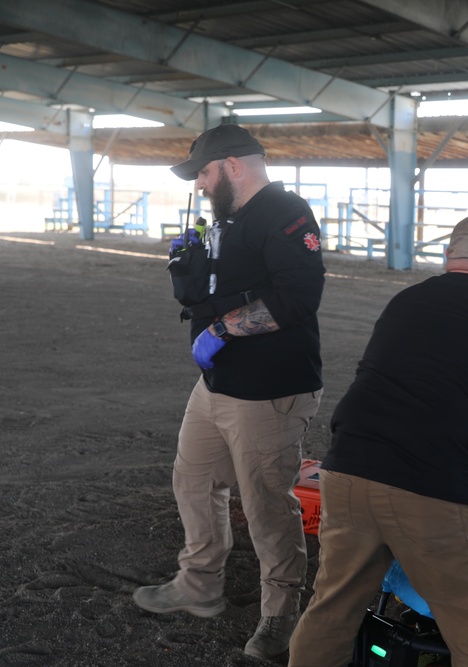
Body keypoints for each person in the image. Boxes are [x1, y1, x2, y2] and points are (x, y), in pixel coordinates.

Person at [287, 213, 468, 667]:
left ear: (449, 257)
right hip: (436, 483)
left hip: (348, 468)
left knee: (332, 609)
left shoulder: (406, 300)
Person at [132, 123, 326, 660]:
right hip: (217, 382)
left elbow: (299, 297)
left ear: (233, 165)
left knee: (266, 505)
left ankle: (280, 614)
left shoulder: (285, 212)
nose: (198, 184)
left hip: (269, 388)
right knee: (193, 479)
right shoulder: (228, 218)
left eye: (203, 172)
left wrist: (221, 330)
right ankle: (198, 584)